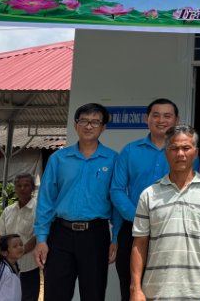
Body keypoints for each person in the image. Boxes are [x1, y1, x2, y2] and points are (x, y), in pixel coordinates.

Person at [33, 103, 120, 301]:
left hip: (95, 235)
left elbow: (116, 201)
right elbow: (46, 200)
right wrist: (41, 239)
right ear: (75, 125)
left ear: (103, 127)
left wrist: (115, 238)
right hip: (60, 235)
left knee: (93, 293)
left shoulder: (113, 160)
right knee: (55, 293)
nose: (89, 126)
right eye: (84, 121)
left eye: (95, 122)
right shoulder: (59, 159)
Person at [130, 125, 200, 301]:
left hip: (198, 291)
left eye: (186, 148)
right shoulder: (149, 194)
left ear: (196, 152)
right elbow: (139, 243)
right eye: (174, 148)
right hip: (155, 290)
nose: (180, 154)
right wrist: (135, 288)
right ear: (166, 152)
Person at [111, 98, 184, 301]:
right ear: (147, 119)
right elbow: (117, 189)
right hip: (133, 229)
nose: (161, 120)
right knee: (131, 289)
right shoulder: (129, 151)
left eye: (167, 116)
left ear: (176, 120)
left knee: (167, 289)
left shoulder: (187, 152)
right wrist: (138, 218)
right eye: (156, 115)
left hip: (171, 230)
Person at [0, 173, 39, 301]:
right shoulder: (8, 210)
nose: (22, 189)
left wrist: (16, 253)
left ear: (33, 188)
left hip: (28, 268)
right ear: (15, 189)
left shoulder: (39, 209)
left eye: (26, 185)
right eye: (19, 186)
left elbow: (37, 236)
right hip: (7, 268)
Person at [0, 234, 25, 301]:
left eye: (21, 244)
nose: (19, 247)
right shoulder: (1, 271)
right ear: (4, 253)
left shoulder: (16, 266)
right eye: (15, 246)